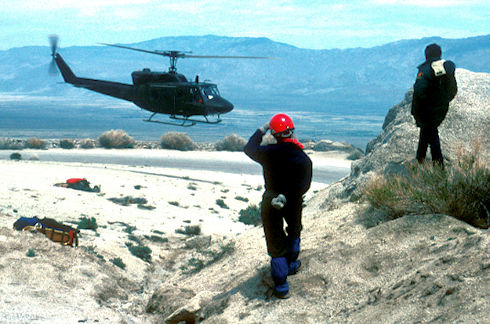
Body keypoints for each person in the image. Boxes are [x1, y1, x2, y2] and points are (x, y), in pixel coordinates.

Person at [244, 113, 312, 299]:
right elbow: (305, 185)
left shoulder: (268, 153)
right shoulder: (303, 158)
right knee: (294, 230)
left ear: (274, 134)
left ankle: (281, 287)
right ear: (292, 131)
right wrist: (289, 195)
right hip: (293, 200)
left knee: (275, 241)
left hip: (270, 199)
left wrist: (261, 129)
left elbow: (249, 148)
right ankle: (291, 265)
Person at [411, 43, 458, 168]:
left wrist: (415, 111)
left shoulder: (424, 70)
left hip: (426, 110)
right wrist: (443, 102)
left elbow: (419, 92)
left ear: (426, 56)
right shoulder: (446, 68)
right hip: (441, 109)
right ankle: (421, 159)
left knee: (431, 135)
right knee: (428, 132)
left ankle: (437, 166)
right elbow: (453, 90)